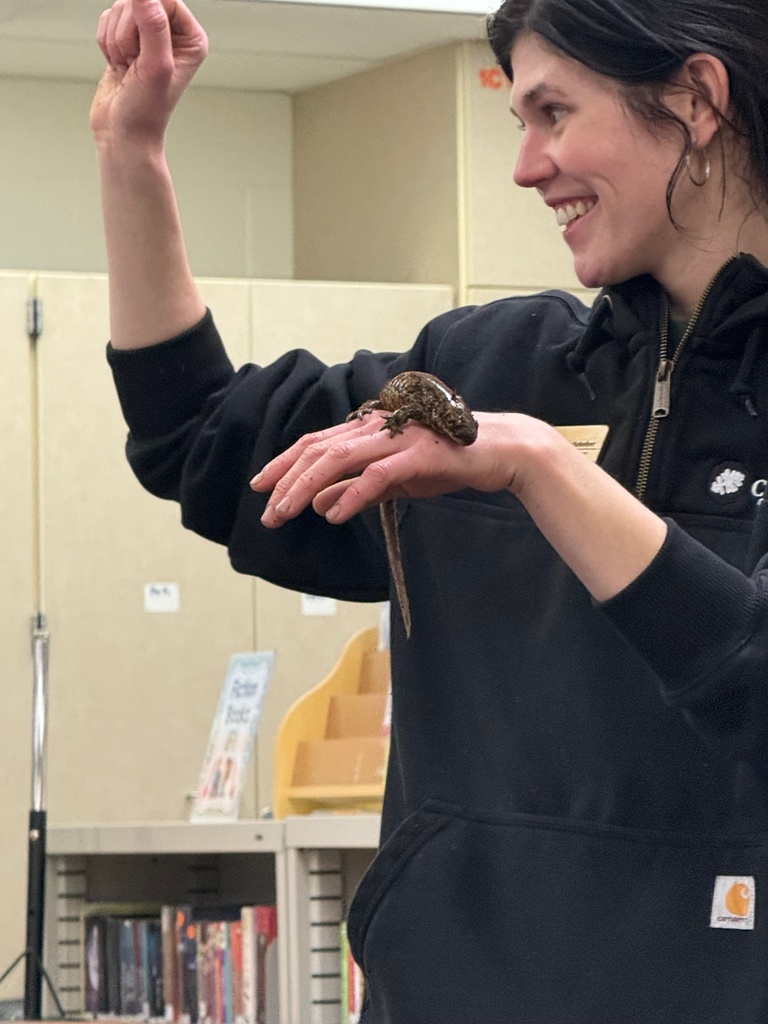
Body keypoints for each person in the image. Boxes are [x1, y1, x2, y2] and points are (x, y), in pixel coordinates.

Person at [92, 0, 768, 1019]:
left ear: (698, 99)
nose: (527, 165)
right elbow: (198, 436)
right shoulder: (482, 376)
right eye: (518, 123)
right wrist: (130, 153)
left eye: (553, 112)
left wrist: (543, 468)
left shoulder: (503, 435)